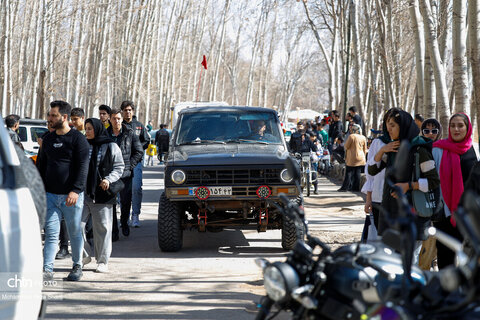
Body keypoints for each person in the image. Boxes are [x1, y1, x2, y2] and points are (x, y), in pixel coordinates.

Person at [36, 100, 90, 281]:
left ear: (64, 117)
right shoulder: (48, 139)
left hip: (71, 197)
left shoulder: (78, 139)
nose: (49, 118)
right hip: (50, 196)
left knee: (74, 232)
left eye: (53, 115)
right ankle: (47, 270)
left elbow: (83, 167)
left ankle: (77, 265)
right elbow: (42, 166)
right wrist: (40, 190)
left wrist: (75, 190)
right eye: (49, 115)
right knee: (51, 234)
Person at [432, 113, 477, 269]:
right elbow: (433, 180)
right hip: (446, 213)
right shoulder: (438, 149)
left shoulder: (475, 149)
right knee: (445, 257)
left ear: (468, 127)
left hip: (471, 215)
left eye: (460, 125)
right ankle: (446, 292)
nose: (456, 129)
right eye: (452, 125)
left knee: (471, 259)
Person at [82, 118, 124, 273]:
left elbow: (119, 167)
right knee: (76, 226)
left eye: (89, 129)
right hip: (83, 193)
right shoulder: (83, 145)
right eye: (85, 129)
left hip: (102, 194)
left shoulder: (111, 145)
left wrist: (108, 179)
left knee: (102, 229)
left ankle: (102, 261)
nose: (86, 132)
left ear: (98, 129)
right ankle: (83, 256)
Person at [108, 108, 143, 240]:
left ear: (122, 119)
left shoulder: (130, 133)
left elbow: (139, 151)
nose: (116, 121)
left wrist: (130, 165)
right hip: (110, 175)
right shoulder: (106, 134)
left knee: (125, 201)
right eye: (114, 118)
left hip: (125, 175)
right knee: (111, 203)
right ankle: (114, 229)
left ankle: (124, 222)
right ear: (110, 120)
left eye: (118, 118)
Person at [363, 109, 394, 231]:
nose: (391, 128)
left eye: (395, 124)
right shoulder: (378, 143)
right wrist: (368, 199)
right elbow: (370, 174)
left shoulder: (407, 144)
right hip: (378, 198)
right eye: (388, 123)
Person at [121, 101, 149, 228]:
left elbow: (146, 141)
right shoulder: (119, 125)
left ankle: (135, 215)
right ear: (122, 111)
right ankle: (124, 216)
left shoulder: (139, 126)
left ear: (133, 111)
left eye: (130, 110)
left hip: (136, 162)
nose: (128, 112)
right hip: (121, 162)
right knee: (122, 190)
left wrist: (137, 149)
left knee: (136, 188)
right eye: (125, 110)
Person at [339, 124, 367, 192]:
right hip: (361, 157)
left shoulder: (352, 136)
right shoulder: (363, 137)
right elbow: (365, 149)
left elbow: (346, 146)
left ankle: (345, 187)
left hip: (352, 157)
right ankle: (355, 188)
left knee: (348, 172)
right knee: (357, 173)